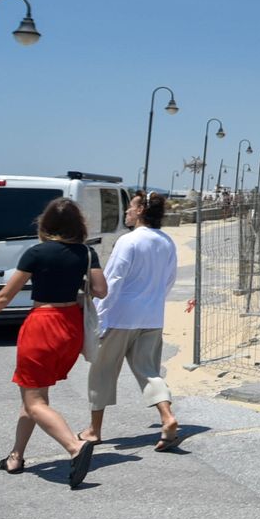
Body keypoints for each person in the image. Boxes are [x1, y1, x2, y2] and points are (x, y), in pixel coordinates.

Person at [0, 197, 106, 488]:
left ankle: (75, 447)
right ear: (78, 225)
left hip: (42, 325)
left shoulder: (36, 253)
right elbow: (101, 290)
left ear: (46, 223)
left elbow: (4, 297)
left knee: (35, 400)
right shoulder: (86, 252)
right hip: (70, 327)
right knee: (33, 397)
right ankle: (16, 457)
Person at [81, 192, 182, 451]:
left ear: (140, 211)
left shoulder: (128, 241)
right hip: (152, 315)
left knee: (102, 371)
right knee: (149, 371)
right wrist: (153, 301)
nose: (126, 211)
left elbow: (113, 280)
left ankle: (94, 430)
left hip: (121, 316)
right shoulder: (167, 241)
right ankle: (167, 417)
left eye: (130, 207)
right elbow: (169, 279)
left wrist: (100, 315)